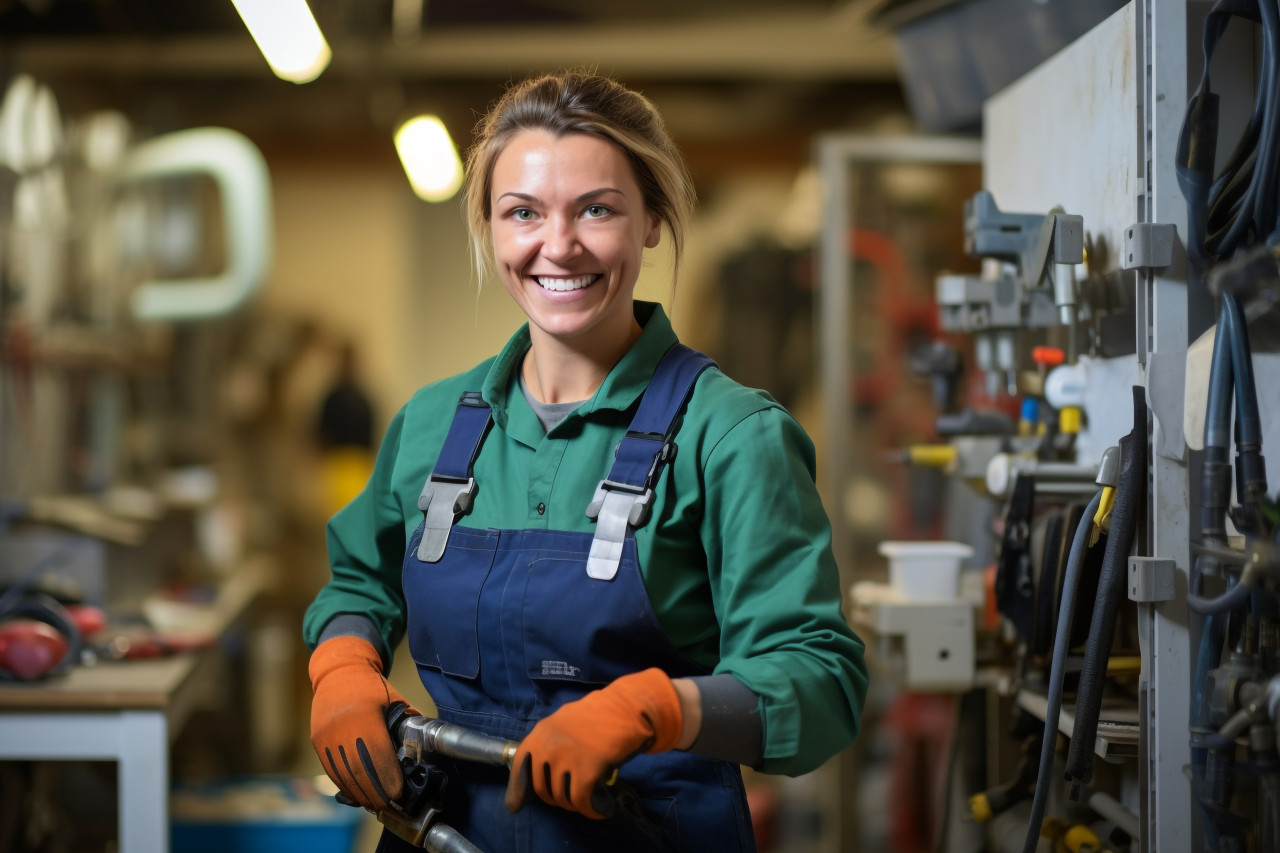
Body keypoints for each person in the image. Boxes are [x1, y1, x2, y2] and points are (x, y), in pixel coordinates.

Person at [302, 69, 868, 853]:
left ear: (652, 222)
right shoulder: (433, 424)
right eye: (522, 212)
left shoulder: (732, 435)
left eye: (596, 209)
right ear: (490, 229)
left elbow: (822, 682)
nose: (556, 244)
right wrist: (341, 665)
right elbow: (361, 577)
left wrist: (658, 709)